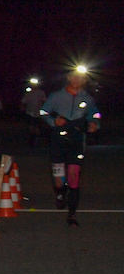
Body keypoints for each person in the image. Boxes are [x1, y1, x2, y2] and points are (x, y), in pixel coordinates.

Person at [41, 69, 101, 226]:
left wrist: (95, 123)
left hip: (77, 140)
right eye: (74, 76)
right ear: (68, 77)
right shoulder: (56, 95)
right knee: (59, 181)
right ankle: (60, 193)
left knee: (74, 179)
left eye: (80, 77)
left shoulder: (87, 98)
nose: (76, 79)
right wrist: (53, 121)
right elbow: (43, 111)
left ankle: (72, 215)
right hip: (58, 140)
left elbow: (95, 114)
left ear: (84, 80)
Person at [21, 80, 48, 151]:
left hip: (38, 113)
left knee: (37, 128)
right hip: (29, 112)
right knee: (30, 127)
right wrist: (22, 107)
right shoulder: (28, 92)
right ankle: (30, 140)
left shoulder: (41, 92)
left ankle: (36, 139)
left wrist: (45, 110)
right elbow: (23, 101)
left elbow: (44, 101)